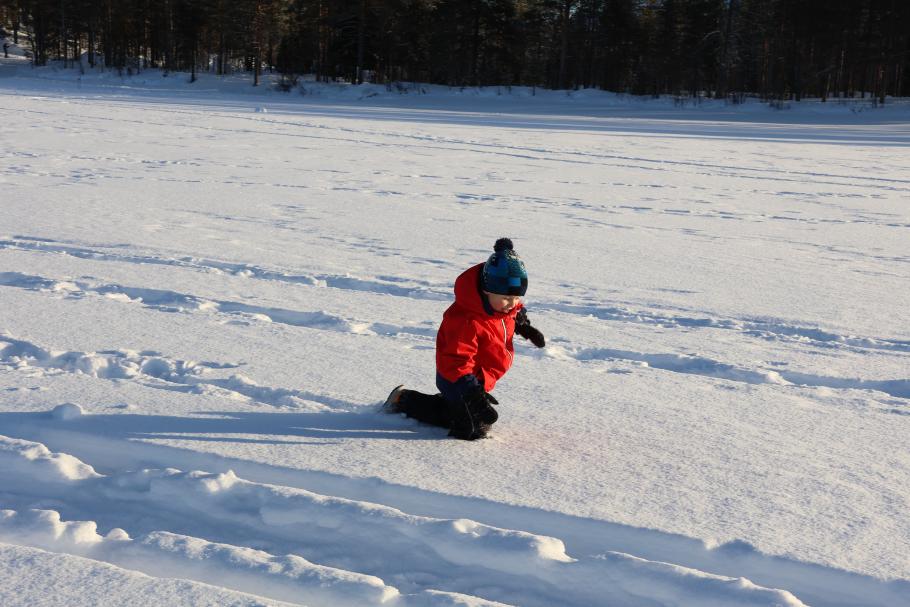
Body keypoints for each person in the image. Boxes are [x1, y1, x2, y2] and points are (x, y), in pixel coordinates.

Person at [384, 238, 546, 440]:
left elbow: (513, 312)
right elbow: (456, 361)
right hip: (458, 378)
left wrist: (523, 326)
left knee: (471, 417)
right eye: (506, 298)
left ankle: (449, 403)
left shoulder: (500, 307)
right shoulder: (466, 321)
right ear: (486, 291)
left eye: (516, 298)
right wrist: (472, 395)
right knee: (470, 429)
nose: (512, 304)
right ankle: (403, 401)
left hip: (480, 375)